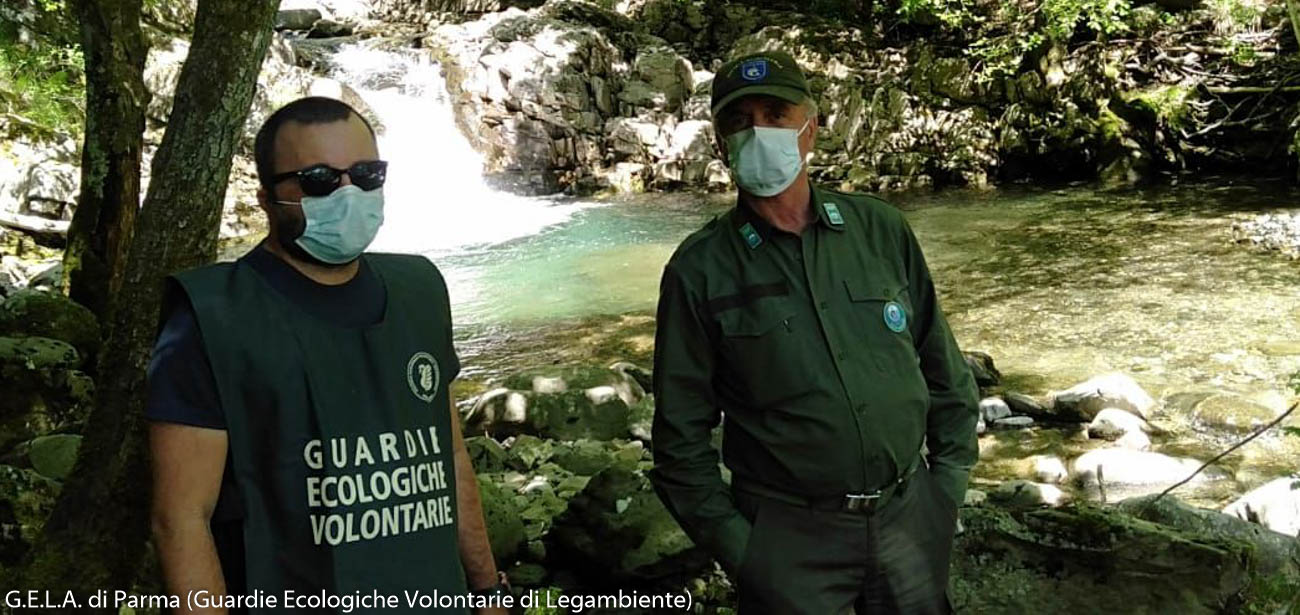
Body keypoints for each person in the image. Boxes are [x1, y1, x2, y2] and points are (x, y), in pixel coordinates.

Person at [146, 97, 507, 614]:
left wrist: (487, 589)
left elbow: (448, 457)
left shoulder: (419, 292)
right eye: (318, 179)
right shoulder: (212, 318)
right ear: (267, 197)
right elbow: (180, 517)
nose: (349, 193)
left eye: (367, 173)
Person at [649, 51, 979, 614]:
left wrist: (945, 485)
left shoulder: (880, 229)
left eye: (775, 113)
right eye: (739, 119)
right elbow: (679, 442)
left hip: (909, 520)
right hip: (787, 541)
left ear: (810, 128)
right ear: (721, 141)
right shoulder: (698, 270)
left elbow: (942, 365)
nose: (759, 132)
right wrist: (742, 549)